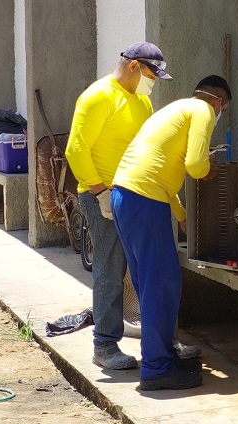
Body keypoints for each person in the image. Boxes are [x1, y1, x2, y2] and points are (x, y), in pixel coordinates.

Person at [111, 75, 231, 390]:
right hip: (145, 200)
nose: (218, 117)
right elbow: (194, 164)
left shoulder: (176, 109)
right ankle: (156, 369)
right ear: (218, 102)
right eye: (223, 110)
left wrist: (180, 215)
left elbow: (162, 170)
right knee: (161, 286)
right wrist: (209, 167)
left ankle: (163, 356)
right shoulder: (204, 111)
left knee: (151, 284)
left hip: (126, 196)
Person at [65, 42, 172, 370]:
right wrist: (100, 192)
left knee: (143, 269)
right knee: (110, 270)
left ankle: (161, 339)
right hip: (102, 196)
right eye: (152, 74)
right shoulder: (99, 96)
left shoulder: (142, 101)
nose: (153, 82)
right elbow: (75, 150)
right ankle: (104, 344)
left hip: (134, 197)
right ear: (135, 67)